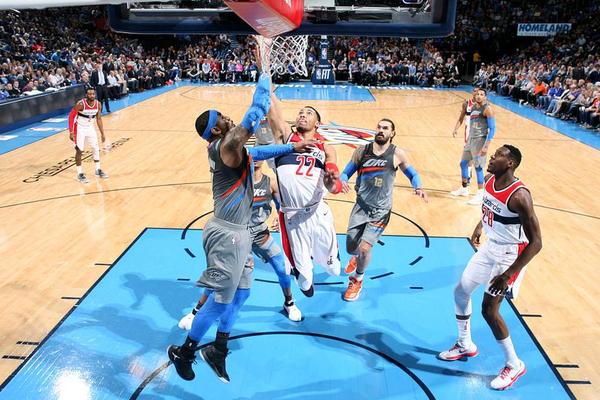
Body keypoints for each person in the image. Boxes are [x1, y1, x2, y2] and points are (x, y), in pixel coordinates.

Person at [167, 74, 313, 383]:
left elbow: (257, 153)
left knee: (241, 295)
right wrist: (265, 72)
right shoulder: (227, 143)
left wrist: (292, 147)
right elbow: (256, 110)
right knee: (221, 299)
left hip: (241, 233)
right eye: (222, 117)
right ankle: (185, 352)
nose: (228, 118)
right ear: (215, 129)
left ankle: (218, 349)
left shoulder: (231, 149)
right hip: (227, 234)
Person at [438, 145, 542, 391]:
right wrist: (479, 226)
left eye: (498, 156)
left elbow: (536, 242)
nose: (492, 158)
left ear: (511, 164)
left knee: (489, 310)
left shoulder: (520, 196)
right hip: (490, 246)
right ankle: (465, 344)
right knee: (460, 292)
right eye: (493, 154)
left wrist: (507, 275)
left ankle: (514, 364)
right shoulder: (489, 180)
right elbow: (489, 207)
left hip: (510, 255)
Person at [178, 154, 302, 327]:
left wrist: (280, 216)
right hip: (237, 237)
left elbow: (283, 206)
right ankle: (196, 312)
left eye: (261, 155)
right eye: (254, 155)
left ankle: (289, 302)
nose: (257, 158)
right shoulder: (236, 182)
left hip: (260, 234)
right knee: (220, 275)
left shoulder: (271, 183)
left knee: (283, 268)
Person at [340, 118, 428, 301]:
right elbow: (346, 171)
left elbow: (412, 174)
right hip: (360, 206)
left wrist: (418, 186)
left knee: (365, 248)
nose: (381, 130)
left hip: (380, 211)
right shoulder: (362, 151)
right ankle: (356, 258)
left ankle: (357, 279)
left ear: (392, 133)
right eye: (379, 127)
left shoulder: (397, 154)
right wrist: (342, 180)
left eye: (385, 128)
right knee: (351, 247)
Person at [267, 96, 344, 297]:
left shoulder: (325, 147)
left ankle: (329, 255)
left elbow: (333, 186)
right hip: (292, 217)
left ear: (317, 123)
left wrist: (332, 181)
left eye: (309, 113)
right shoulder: (286, 139)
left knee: (335, 270)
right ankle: (301, 269)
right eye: (300, 112)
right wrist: (266, 81)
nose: (302, 114)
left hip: (318, 212)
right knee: (304, 284)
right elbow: (273, 112)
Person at [450, 88, 496, 205]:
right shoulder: (474, 107)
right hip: (470, 139)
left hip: (480, 140)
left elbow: (492, 128)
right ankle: (464, 188)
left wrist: (486, 146)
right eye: (477, 94)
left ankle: (480, 194)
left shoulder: (487, 109)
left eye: (482, 94)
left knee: (478, 167)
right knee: (463, 163)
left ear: (485, 97)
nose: (479, 96)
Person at [68, 86, 108, 183]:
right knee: (79, 150)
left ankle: (98, 170)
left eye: (93, 94)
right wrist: (71, 132)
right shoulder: (81, 104)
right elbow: (71, 116)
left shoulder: (98, 104)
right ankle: (79, 173)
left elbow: (99, 119)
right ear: (86, 95)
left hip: (90, 128)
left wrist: (102, 133)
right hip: (80, 128)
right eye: (90, 94)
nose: (92, 95)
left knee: (95, 148)